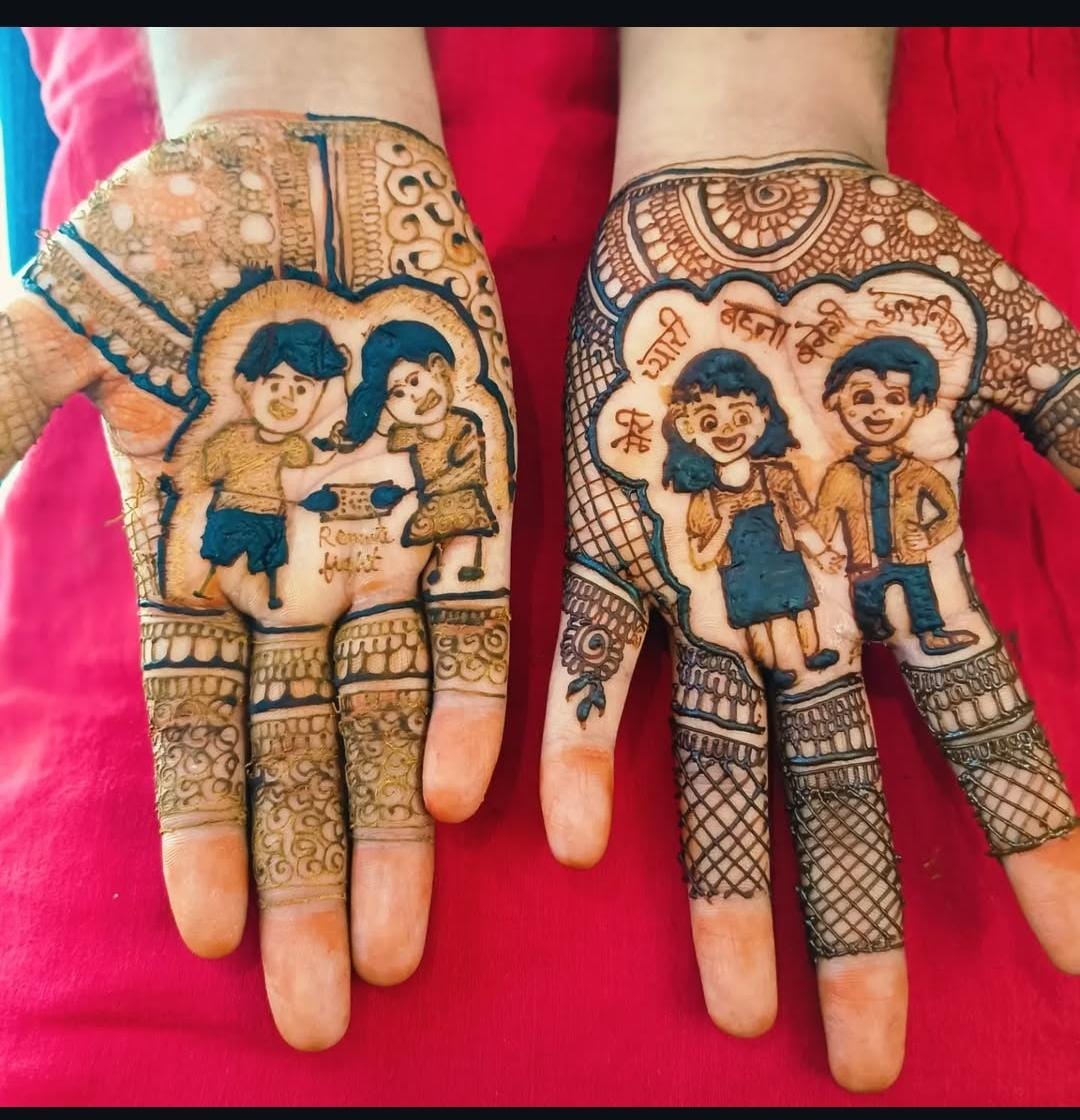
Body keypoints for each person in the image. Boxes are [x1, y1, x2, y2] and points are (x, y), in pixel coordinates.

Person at [662, 348, 841, 687]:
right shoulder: (705, 498)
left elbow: (801, 521)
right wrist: (723, 524)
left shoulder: (777, 476)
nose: (727, 429)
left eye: (741, 417)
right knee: (756, 622)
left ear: (763, 414)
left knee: (801, 607)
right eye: (710, 422)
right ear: (686, 427)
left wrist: (822, 552)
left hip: (782, 559)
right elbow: (700, 557)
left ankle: (813, 651)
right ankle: (773, 666)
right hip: (740, 572)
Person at [815, 335, 978, 656]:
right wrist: (820, 552)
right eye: (863, 397)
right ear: (835, 401)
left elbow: (947, 509)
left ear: (920, 406)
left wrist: (929, 535)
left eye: (894, 398)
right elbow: (824, 520)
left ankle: (931, 632)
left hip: (911, 557)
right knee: (867, 610)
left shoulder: (918, 471)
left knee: (921, 597)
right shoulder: (840, 475)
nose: (878, 410)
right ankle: (872, 630)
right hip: (863, 563)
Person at [194, 318, 347, 609]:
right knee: (220, 549)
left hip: (269, 513)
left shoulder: (292, 444)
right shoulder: (231, 437)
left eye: (302, 389)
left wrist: (331, 443)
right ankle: (207, 585)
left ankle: (273, 593)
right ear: (245, 385)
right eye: (275, 384)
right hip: (231, 509)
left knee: (269, 558)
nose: (287, 397)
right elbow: (209, 469)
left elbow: (304, 460)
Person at [337, 318, 498, 583]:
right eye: (398, 394)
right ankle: (439, 569)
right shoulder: (410, 434)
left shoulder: (464, 424)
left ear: (437, 368)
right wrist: (349, 403)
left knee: (467, 537)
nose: (413, 397)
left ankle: (471, 566)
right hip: (432, 504)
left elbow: (470, 468)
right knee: (432, 538)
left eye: (414, 381)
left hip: (464, 498)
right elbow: (380, 434)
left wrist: (430, 487)